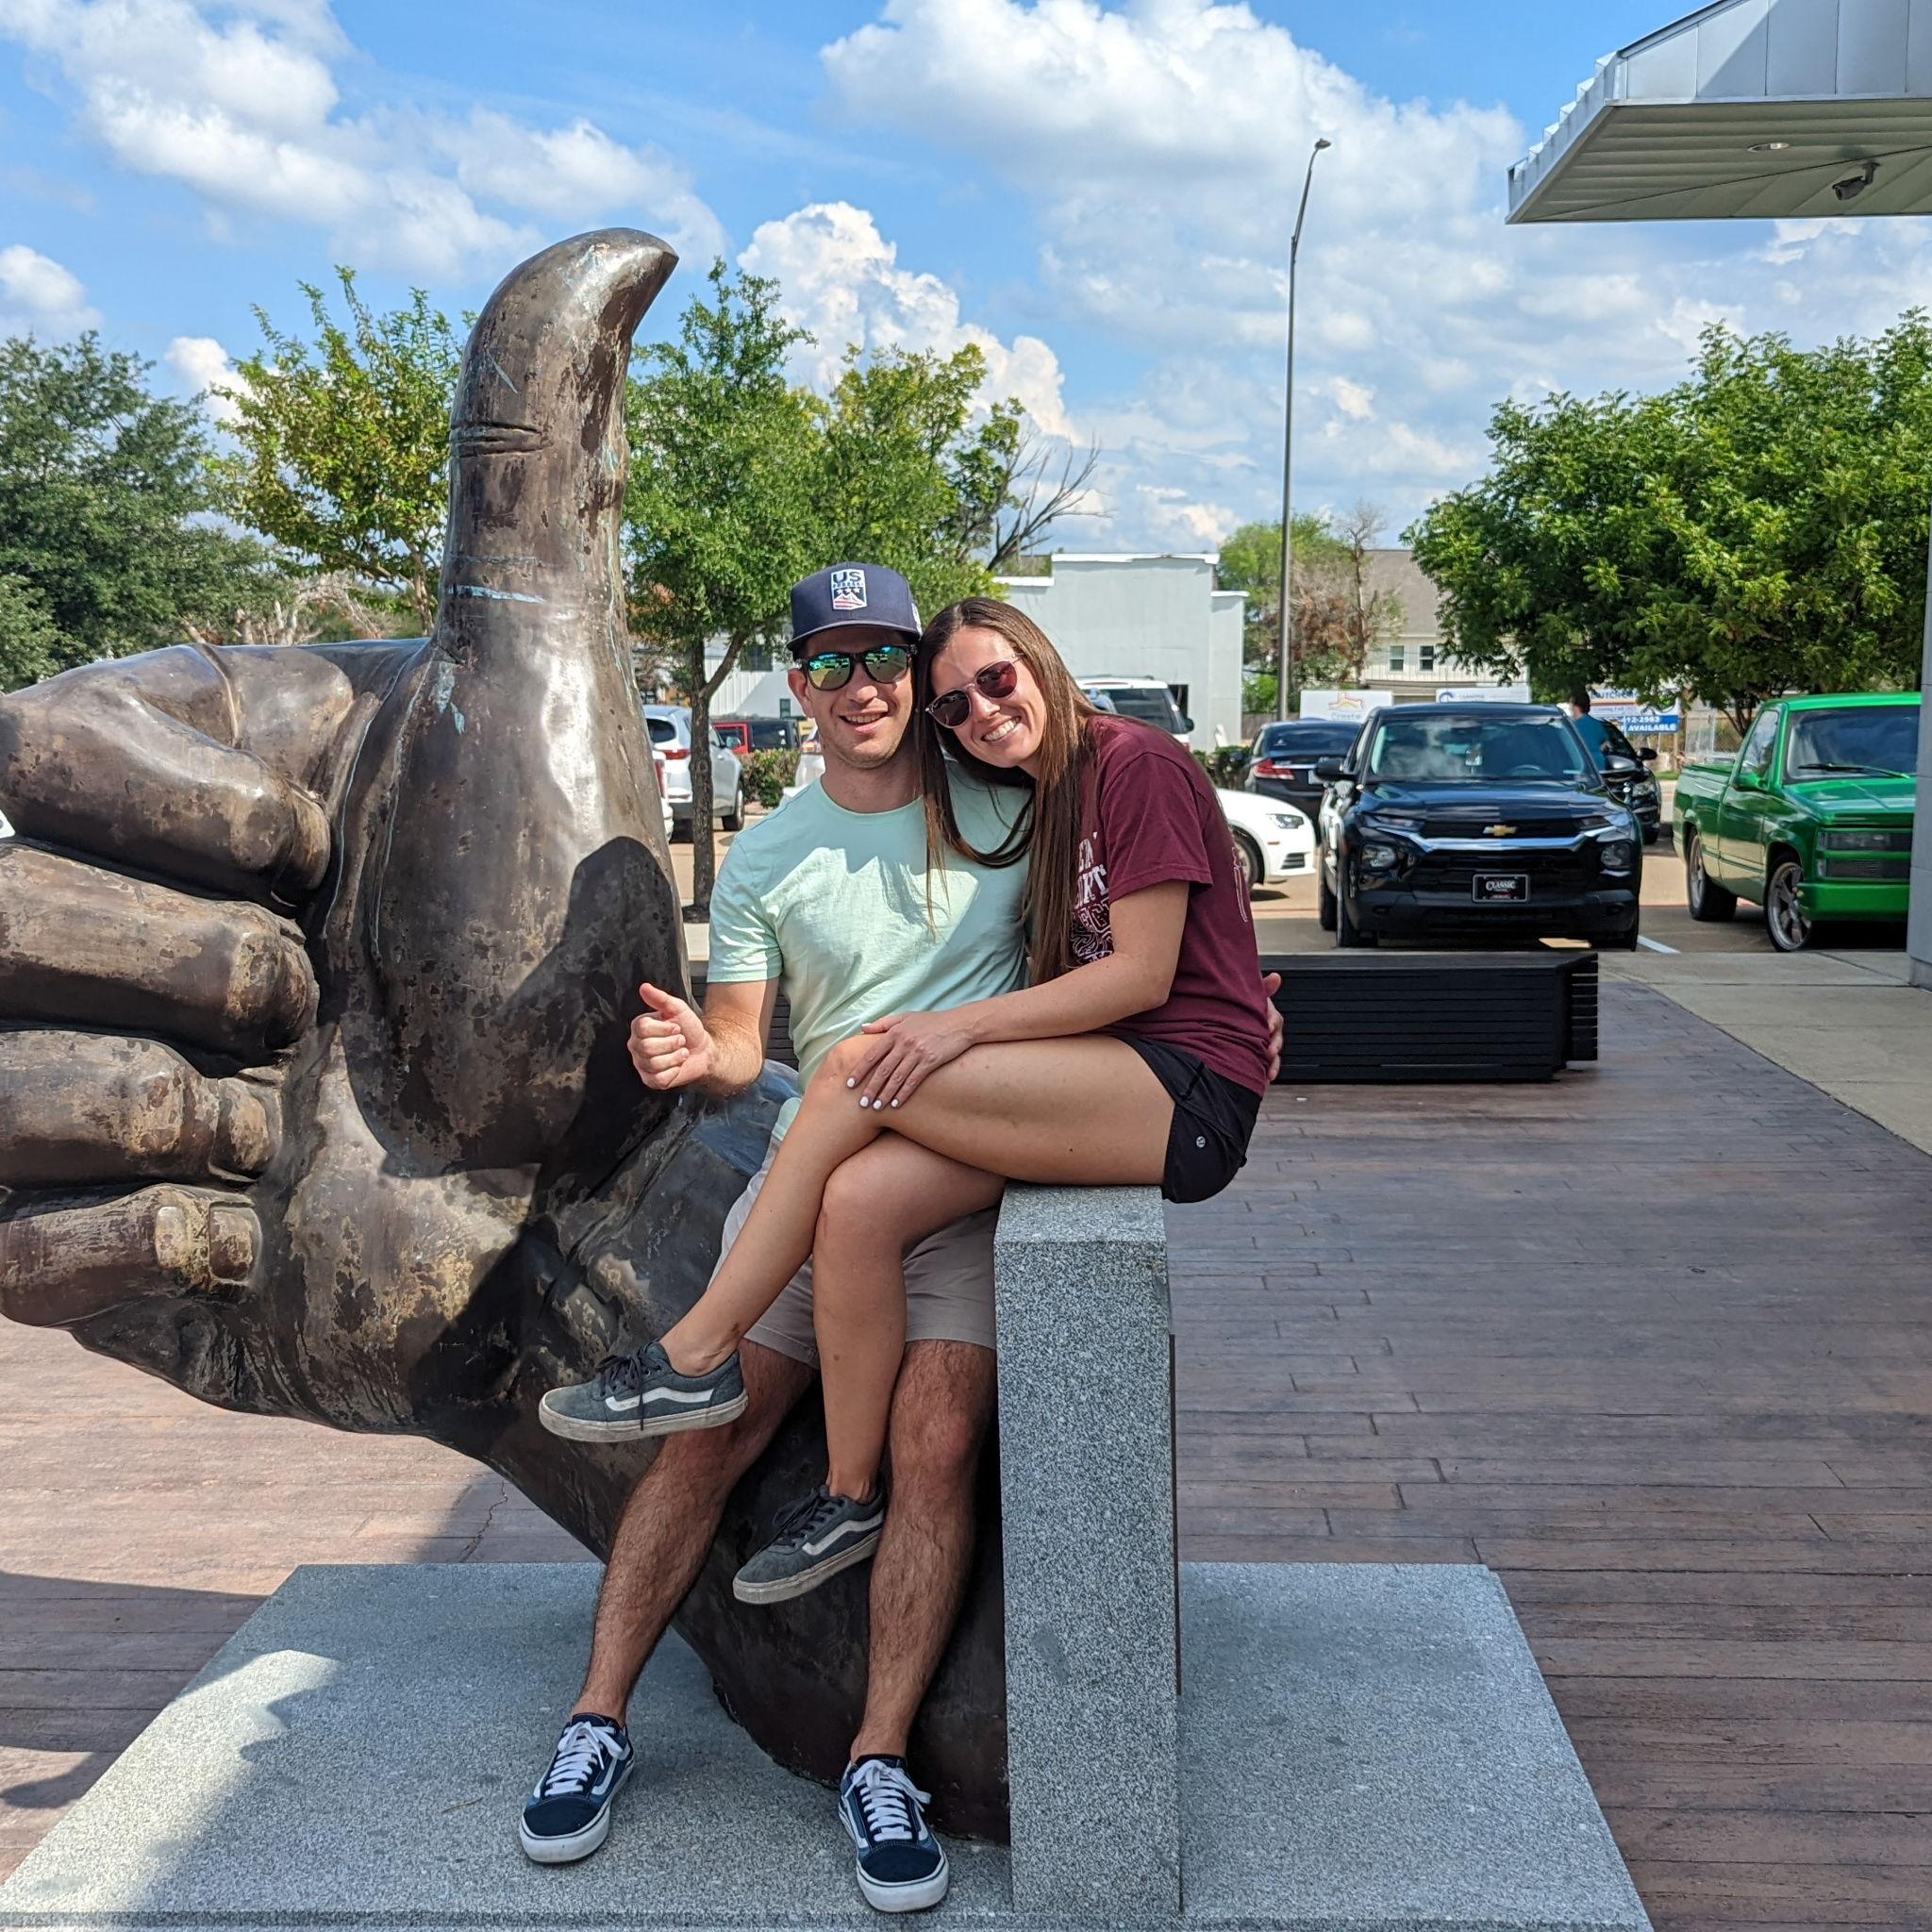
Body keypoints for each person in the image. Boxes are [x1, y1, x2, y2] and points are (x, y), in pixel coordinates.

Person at [555, 593, 1274, 1625]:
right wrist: (711, 1051)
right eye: (952, 707)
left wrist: (955, 1028)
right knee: (858, 1202)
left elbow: (1147, 973)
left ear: (1039, 657)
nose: (979, 711)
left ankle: (693, 1351)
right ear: (802, 689)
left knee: (858, 1060)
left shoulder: (1132, 761)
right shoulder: (1037, 793)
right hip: (1102, 1075)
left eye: (994, 679)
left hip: (1178, 1085)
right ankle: (850, 1495)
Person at [1568, 692, 1612, 769]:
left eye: (1570, 704)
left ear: (1575, 707)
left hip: (1579, 765)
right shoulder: (1597, 724)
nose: (1569, 708)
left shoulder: (1571, 727)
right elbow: (1605, 743)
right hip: (1598, 765)